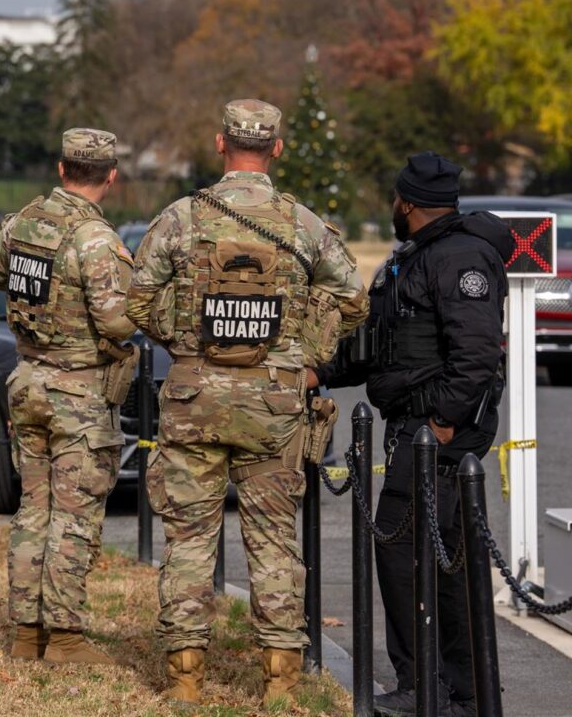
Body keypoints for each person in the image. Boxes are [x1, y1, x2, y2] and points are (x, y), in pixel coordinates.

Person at [127, 99, 369, 706]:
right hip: (274, 405)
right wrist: (305, 354)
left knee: (188, 541)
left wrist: (184, 340)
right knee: (273, 541)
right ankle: (281, 686)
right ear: (277, 149)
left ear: (220, 144)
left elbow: (136, 300)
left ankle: (184, 680)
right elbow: (353, 298)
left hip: (193, 400)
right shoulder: (303, 225)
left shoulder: (182, 218)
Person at [320, 151, 514, 717]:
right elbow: (379, 344)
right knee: (430, 560)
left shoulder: (460, 258)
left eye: (394, 200)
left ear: (406, 202)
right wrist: (321, 372)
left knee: (417, 556)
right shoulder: (415, 258)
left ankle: (436, 686)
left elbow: (477, 356)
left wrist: (442, 425)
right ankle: (449, 688)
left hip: (439, 439)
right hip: (415, 430)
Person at [0, 128, 137, 665]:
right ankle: (65, 639)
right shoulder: (94, 239)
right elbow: (116, 321)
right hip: (79, 395)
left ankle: (25, 634)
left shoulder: (25, 222)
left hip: (29, 383)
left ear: (63, 167)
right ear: (110, 177)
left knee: (33, 510)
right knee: (73, 515)